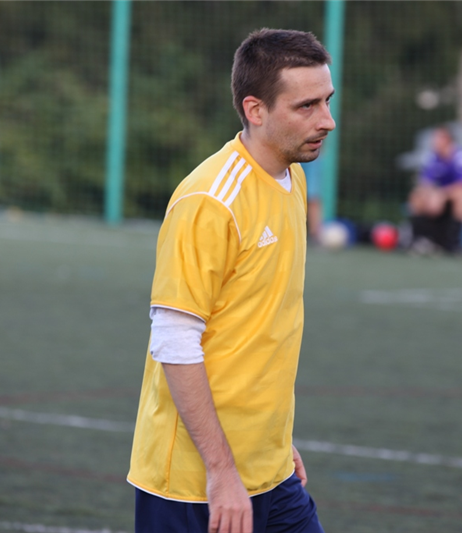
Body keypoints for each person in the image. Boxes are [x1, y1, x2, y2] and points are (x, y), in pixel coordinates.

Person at [127, 29, 334, 533]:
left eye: (327, 101)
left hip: (270, 472)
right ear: (255, 110)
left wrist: (274, 443)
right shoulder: (209, 201)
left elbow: (255, 329)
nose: (327, 120)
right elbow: (174, 340)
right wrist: (222, 472)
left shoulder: (293, 177)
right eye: (306, 106)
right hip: (195, 485)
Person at [408, 126, 462, 253]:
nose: (434, 142)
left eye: (437, 138)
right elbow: (425, 183)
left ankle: (453, 244)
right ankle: (420, 239)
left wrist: (441, 194)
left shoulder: (461, 156)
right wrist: (431, 194)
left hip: (461, 195)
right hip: (439, 196)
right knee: (416, 196)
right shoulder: (432, 157)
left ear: (447, 140)